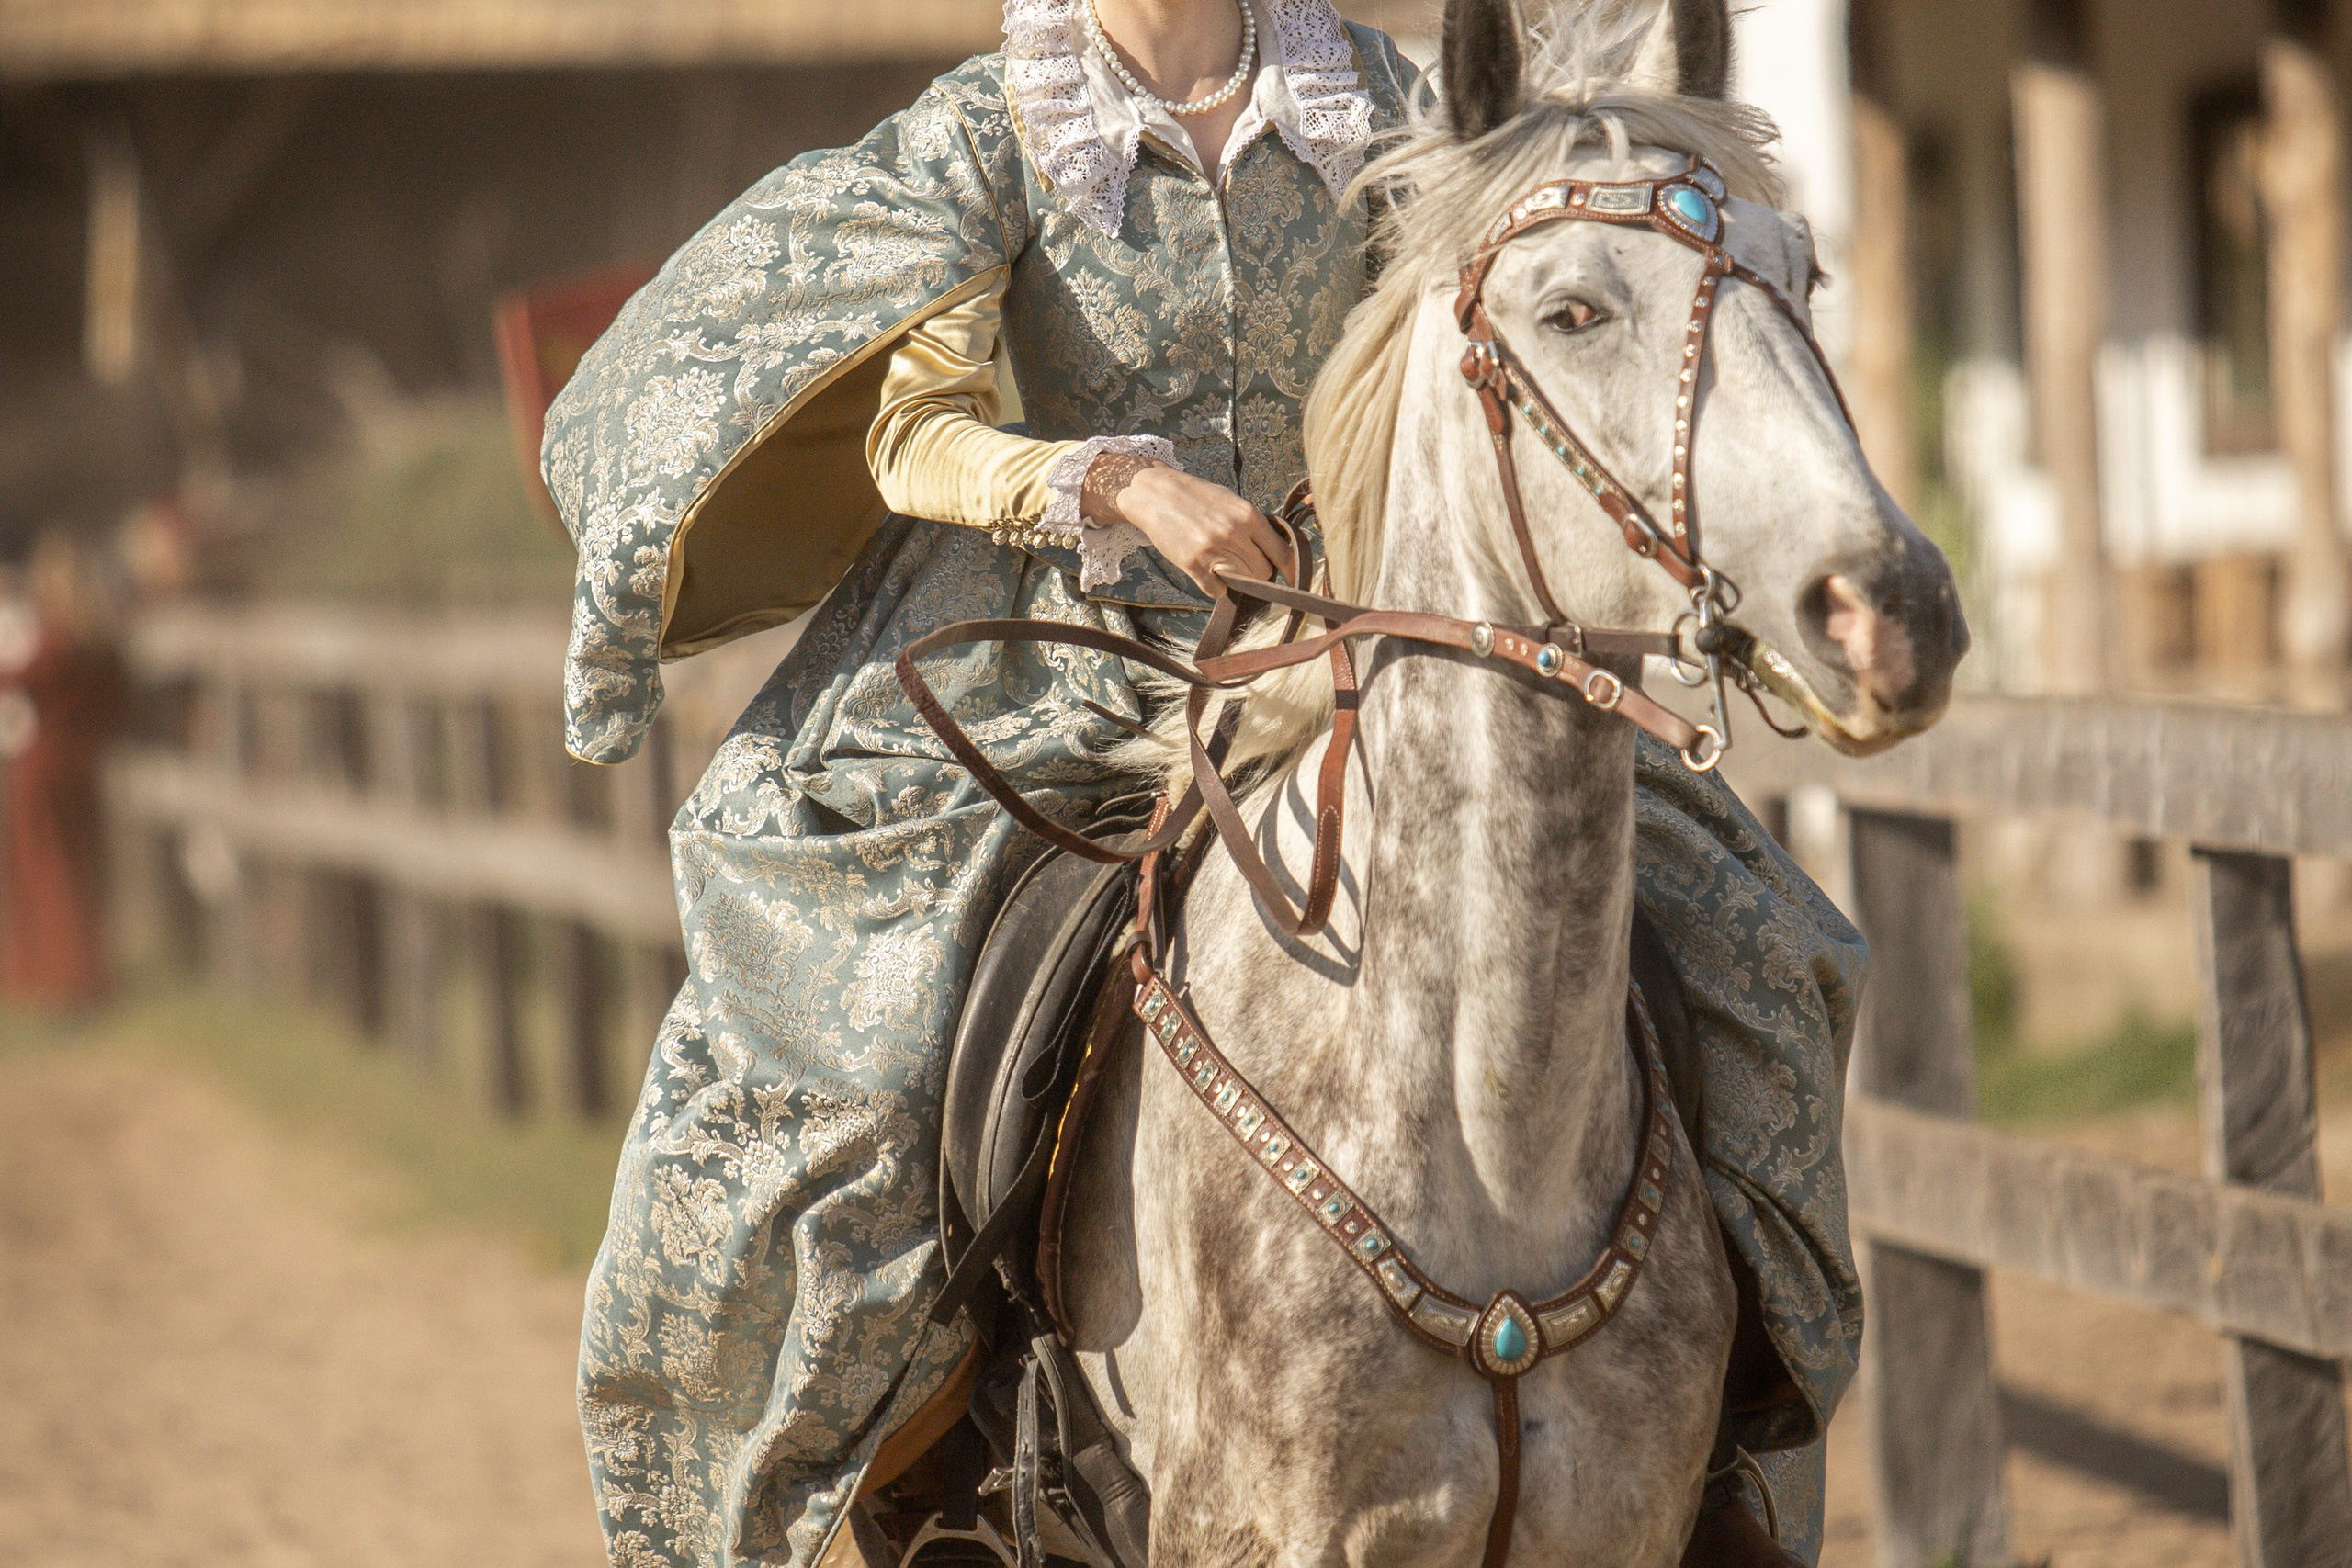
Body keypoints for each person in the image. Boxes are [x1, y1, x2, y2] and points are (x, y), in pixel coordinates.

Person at [548, 4, 1865, 1564]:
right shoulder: (997, 130)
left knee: (1757, 947)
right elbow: (914, 435)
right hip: (1062, 664)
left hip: (1366, 639)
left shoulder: (1391, 101)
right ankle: (942, 1422)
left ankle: (1716, 1432)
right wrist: (1111, 480)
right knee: (866, 1038)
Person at [0, 530, 127, 1010]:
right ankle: (78, 974)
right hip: (83, 762)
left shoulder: (56, 637)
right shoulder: (98, 636)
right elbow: (115, 702)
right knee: (77, 869)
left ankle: (61, 981)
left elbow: (17, 677)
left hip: (42, 766)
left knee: (46, 874)